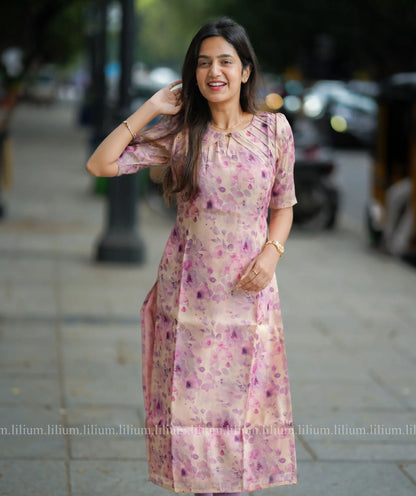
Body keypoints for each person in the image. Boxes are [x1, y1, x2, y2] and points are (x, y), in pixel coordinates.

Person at [86, 17, 297, 496]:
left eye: (226, 61)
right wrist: (151, 107)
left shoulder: (273, 130)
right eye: (203, 63)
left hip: (248, 296)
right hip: (187, 301)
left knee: (239, 413)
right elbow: (100, 163)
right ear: (193, 74)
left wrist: (271, 254)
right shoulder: (181, 133)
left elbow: (283, 206)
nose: (214, 71)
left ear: (245, 71)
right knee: (190, 415)